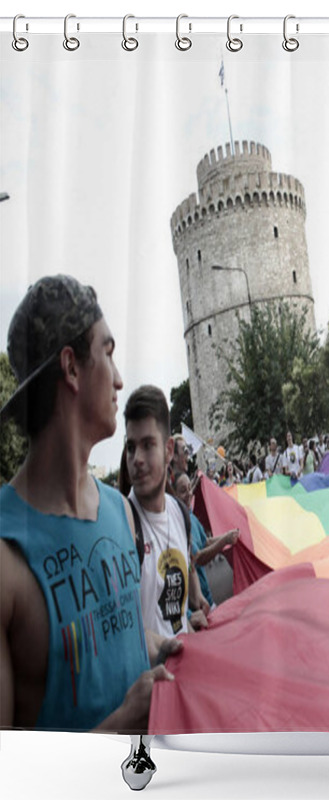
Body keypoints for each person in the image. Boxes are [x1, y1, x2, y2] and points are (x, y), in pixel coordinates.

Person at [0, 275, 176, 732]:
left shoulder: (122, 514)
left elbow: (116, 639)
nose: (119, 378)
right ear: (72, 368)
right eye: (108, 352)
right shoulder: (5, 557)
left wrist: (171, 647)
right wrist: (121, 724)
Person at [125, 385, 209, 639]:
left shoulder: (181, 515)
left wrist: (196, 614)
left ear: (168, 450)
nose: (137, 458)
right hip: (152, 677)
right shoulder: (122, 524)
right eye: (130, 447)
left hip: (185, 672)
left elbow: (194, 598)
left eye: (148, 445)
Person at [173, 472, 239, 610]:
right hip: (198, 605)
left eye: (189, 488)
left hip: (206, 598)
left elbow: (206, 542)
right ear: (174, 496)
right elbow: (198, 558)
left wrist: (227, 536)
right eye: (183, 491)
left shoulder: (191, 516)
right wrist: (224, 540)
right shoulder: (178, 524)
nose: (189, 493)